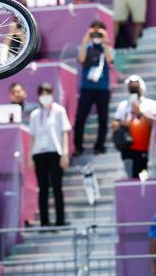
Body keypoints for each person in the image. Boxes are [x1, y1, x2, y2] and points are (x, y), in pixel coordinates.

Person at [29, 83, 71, 228]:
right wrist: (30, 156)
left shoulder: (59, 111)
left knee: (57, 186)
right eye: (42, 94)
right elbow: (32, 137)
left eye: (48, 93)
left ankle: (60, 220)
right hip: (39, 153)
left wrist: (65, 154)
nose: (45, 97)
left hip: (55, 152)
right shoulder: (35, 115)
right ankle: (44, 221)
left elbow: (64, 132)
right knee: (43, 188)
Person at [73, 21, 113, 156]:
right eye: (94, 31)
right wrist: (85, 41)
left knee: (103, 119)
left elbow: (110, 59)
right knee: (80, 119)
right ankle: (78, 147)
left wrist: (105, 42)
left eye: (99, 32)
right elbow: (81, 58)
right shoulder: (86, 46)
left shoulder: (106, 47)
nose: (96, 34)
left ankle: (99, 146)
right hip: (87, 88)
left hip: (103, 89)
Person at [112, 75, 156, 178]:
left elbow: (153, 124)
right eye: (131, 87)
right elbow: (115, 124)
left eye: (136, 87)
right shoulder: (123, 105)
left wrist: (140, 112)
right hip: (128, 149)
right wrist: (127, 123)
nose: (134, 89)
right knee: (132, 176)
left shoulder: (150, 104)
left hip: (146, 150)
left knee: (144, 176)